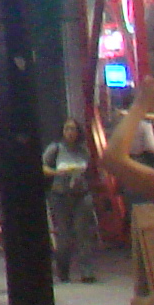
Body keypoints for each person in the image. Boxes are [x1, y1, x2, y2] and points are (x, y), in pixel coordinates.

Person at [47, 117, 100, 283]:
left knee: (83, 233)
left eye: (73, 129)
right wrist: (57, 173)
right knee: (64, 235)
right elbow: (43, 166)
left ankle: (87, 271)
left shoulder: (83, 150)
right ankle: (63, 269)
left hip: (81, 195)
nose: (70, 133)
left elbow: (90, 168)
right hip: (61, 195)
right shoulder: (55, 149)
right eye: (67, 129)